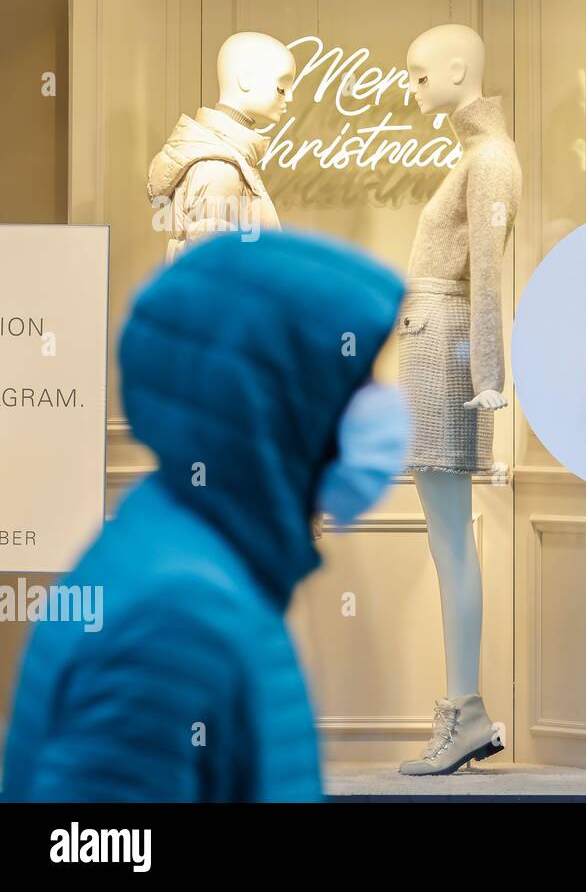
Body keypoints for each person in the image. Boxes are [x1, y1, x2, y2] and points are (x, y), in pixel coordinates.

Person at [2, 232, 407, 801]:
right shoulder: (177, 618)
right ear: (269, 396)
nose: (384, 403)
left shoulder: (191, 556)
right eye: (357, 380)